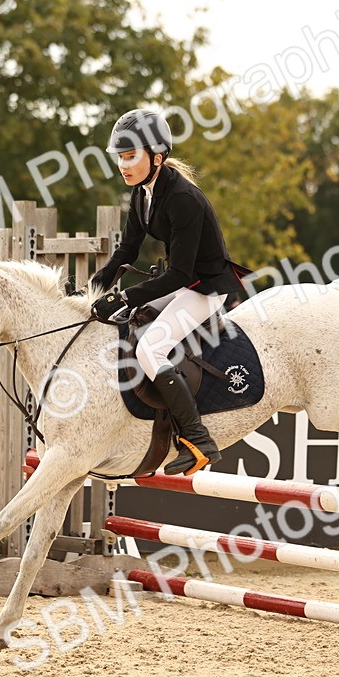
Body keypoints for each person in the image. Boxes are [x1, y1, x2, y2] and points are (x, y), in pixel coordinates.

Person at [88, 109, 249, 476]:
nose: (123, 165)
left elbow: (179, 274)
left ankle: (198, 440)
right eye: (121, 157)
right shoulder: (142, 193)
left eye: (131, 156)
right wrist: (93, 289)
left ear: (156, 157)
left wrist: (126, 296)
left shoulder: (182, 199)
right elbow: (126, 252)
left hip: (205, 288)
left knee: (151, 347)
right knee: (130, 322)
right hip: (181, 282)